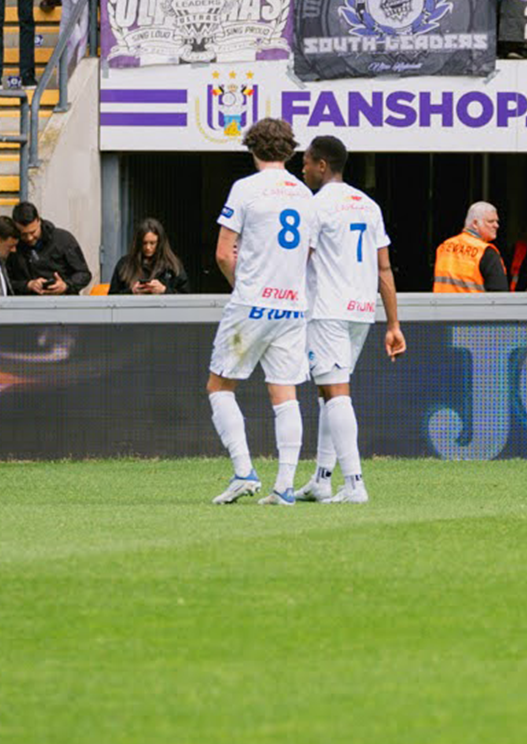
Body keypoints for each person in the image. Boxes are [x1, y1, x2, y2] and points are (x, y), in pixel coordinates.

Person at [203, 117, 317, 505]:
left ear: (252, 148)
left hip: (252, 302)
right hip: (292, 306)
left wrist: (243, 286)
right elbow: (309, 252)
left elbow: (223, 252)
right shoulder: (304, 194)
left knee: (219, 387)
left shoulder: (245, 189)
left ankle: (243, 471)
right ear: (289, 150)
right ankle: (284, 487)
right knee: (285, 394)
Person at [290, 134, 403, 506]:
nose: (302, 167)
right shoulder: (367, 205)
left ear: (322, 165)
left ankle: (355, 484)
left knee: (336, 394)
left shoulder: (315, 206)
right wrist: (393, 324)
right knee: (329, 392)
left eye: (306, 161)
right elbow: (384, 268)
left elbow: (300, 259)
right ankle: (322, 479)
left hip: (326, 310)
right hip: (360, 312)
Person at [431, 201, 509, 294]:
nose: (496, 225)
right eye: (491, 221)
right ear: (475, 224)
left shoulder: (444, 247)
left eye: (497, 221)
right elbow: (499, 297)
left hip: (442, 307)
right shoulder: (486, 252)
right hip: (473, 308)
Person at [111, 218, 190, 295]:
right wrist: (131, 292)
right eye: (144, 243)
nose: (148, 247)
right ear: (138, 243)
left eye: (152, 243)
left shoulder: (172, 266)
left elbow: (186, 298)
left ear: (160, 243)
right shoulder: (125, 265)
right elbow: (111, 299)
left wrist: (164, 290)